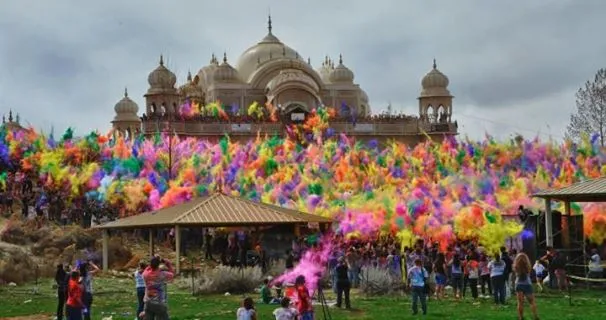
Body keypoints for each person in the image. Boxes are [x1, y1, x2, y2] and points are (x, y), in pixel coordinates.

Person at [514, 253, 539, 320]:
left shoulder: (516, 266)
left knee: (520, 303)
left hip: (518, 284)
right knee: (532, 302)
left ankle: (521, 317)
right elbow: (529, 272)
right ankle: (535, 316)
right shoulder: (528, 266)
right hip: (527, 284)